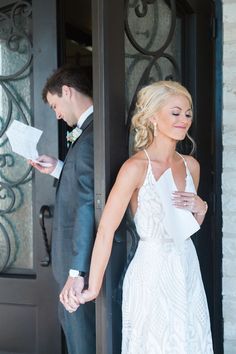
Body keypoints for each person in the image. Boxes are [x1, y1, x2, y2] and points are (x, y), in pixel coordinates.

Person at [75, 80, 213, 353]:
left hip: (186, 266)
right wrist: (93, 287)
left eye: (187, 113)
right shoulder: (134, 168)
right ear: (152, 117)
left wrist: (202, 209)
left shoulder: (191, 166)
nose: (184, 120)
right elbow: (105, 230)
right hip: (150, 271)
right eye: (175, 113)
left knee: (189, 342)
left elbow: (183, 226)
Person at [30, 64, 95, 354]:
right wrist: (58, 167)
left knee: (82, 341)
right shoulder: (87, 134)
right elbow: (81, 180)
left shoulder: (92, 135)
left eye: (55, 105)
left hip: (79, 266)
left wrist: (76, 270)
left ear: (67, 91)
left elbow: (86, 202)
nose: (56, 114)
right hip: (72, 266)